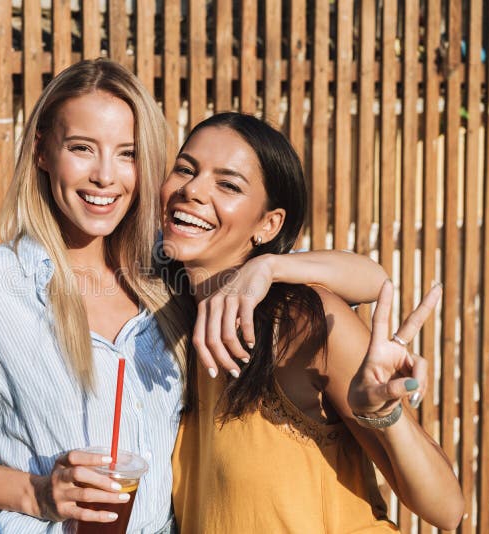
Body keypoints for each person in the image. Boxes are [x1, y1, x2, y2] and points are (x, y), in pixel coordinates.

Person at [0, 59, 388, 533]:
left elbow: (368, 277)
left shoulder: (170, 269)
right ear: (42, 151)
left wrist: (267, 267)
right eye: (82, 148)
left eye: (126, 153)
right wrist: (28, 492)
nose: (106, 176)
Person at [168, 112, 464, 532]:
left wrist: (387, 417)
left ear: (268, 224)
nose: (192, 190)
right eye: (185, 168)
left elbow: (447, 509)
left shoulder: (298, 325)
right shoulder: (169, 317)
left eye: (228, 184)